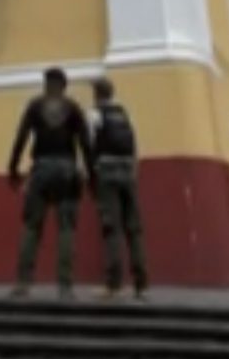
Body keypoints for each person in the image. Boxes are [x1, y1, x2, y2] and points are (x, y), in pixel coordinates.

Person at [8, 67, 95, 299]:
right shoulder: (73, 108)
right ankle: (65, 287)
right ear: (64, 86)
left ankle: (23, 283)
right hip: (67, 171)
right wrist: (92, 177)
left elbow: (21, 137)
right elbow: (86, 144)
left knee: (31, 228)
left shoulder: (35, 106)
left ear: (46, 84)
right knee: (66, 229)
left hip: (41, 171)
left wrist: (13, 170)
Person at [89, 78, 148, 299]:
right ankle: (141, 284)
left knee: (111, 228)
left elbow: (89, 145)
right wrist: (133, 171)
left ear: (96, 94)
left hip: (106, 172)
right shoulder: (124, 113)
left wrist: (91, 176)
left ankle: (113, 284)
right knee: (134, 229)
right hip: (127, 171)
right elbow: (134, 145)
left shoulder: (94, 115)